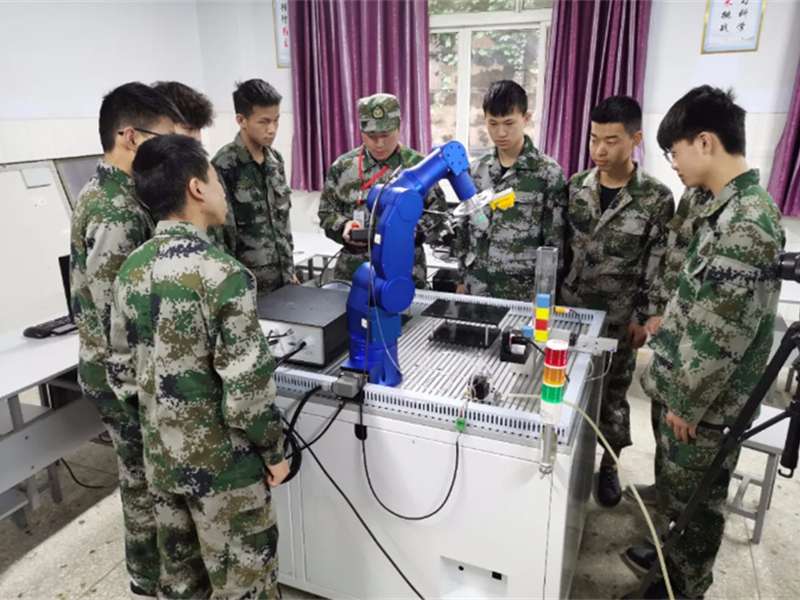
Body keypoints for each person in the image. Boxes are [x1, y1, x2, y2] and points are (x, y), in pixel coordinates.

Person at [108, 134, 289, 598]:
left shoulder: (130, 270)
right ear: (196, 188)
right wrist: (274, 452)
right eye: (216, 180)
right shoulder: (223, 275)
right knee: (245, 586)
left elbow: (121, 374)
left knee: (184, 585)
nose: (223, 191)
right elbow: (247, 392)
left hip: (163, 465)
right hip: (225, 475)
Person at [623, 86, 784, 599]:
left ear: (706, 142)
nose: (673, 163)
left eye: (676, 151)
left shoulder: (747, 224)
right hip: (689, 391)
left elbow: (723, 333)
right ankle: (670, 561)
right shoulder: (723, 209)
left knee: (698, 505)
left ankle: (684, 587)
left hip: (706, 405)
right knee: (679, 495)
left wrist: (687, 403)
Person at [69, 82, 182, 596]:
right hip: (122, 375)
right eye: (163, 138)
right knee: (142, 480)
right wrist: (140, 388)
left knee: (142, 477)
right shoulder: (114, 209)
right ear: (130, 136)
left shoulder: (121, 193)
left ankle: (151, 572)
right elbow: (115, 314)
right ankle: (148, 579)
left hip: (124, 369)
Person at [560, 95, 674, 507]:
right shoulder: (576, 187)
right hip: (571, 311)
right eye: (594, 139)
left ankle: (608, 464)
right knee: (565, 389)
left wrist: (644, 317)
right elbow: (562, 249)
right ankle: (567, 459)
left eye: (611, 141)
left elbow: (657, 263)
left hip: (618, 318)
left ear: (635, 140)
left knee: (611, 395)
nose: (599, 150)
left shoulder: (656, 198)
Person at [317, 93, 447, 287]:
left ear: (398, 127)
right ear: (361, 131)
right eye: (372, 136)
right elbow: (326, 213)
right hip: (353, 272)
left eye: (386, 135)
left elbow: (439, 214)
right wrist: (344, 226)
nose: (379, 144)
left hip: (404, 271)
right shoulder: (343, 167)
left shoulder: (420, 167)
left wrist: (413, 231)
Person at [455, 80, 567, 301]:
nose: (501, 132)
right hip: (476, 286)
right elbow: (464, 229)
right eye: (493, 123)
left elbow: (555, 244)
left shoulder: (547, 173)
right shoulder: (476, 170)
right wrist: (460, 279)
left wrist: (544, 293)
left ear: (526, 118)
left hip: (522, 292)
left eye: (509, 123)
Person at [212, 79, 296, 293]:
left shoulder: (275, 160)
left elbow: (283, 222)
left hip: (283, 281)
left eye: (276, 121)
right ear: (241, 120)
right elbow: (222, 236)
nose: (272, 129)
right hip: (248, 286)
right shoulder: (224, 165)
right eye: (264, 122)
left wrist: (290, 269)